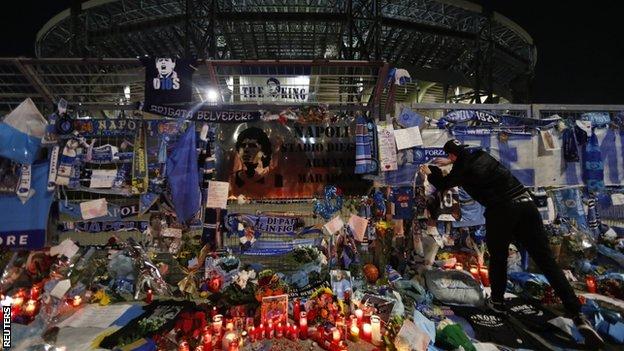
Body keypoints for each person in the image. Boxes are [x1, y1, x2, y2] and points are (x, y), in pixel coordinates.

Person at [419, 139, 604, 346]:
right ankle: (577, 313)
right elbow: (465, 167)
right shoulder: (482, 155)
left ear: (452, 156)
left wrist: (430, 171)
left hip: (502, 209)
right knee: (546, 261)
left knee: (498, 258)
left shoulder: (461, 168)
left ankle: (497, 303)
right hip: (526, 204)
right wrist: (450, 163)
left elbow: (444, 183)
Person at [230, 127, 282, 197]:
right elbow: (235, 174)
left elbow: (273, 171)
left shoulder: (267, 154)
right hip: (246, 193)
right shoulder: (241, 153)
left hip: (265, 192)